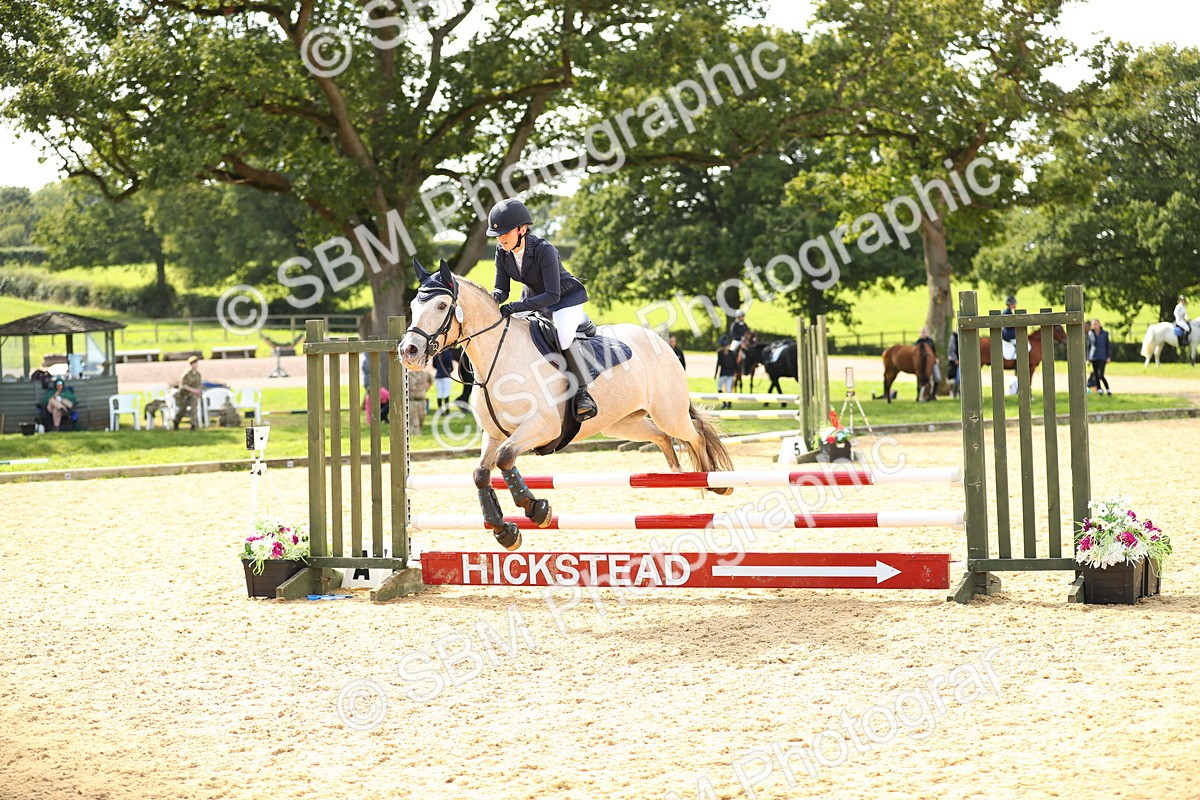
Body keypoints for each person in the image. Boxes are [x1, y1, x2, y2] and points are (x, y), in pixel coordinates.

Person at [488, 197, 596, 421]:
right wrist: (492, 299)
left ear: (522, 229)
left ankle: (582, 393)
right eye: (497, 234)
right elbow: (502, 288)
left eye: (505, 233)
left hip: (565, 299)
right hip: (533, 299)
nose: (500, 238)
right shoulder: (502, 252)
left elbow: (552, 294)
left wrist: (516, 306)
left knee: (564, 336)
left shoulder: (544, 249)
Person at [174, 355, 203, 430]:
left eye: (196, 363)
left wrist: (198, 391)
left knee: (194, 408)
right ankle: (176, 421)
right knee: (182, 410)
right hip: (184, 395)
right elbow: (183, 385)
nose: (195, 365)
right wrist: (193, 390)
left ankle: (194, 425)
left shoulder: (198, 374)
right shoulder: (186, 374)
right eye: (193, 363)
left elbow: (199, 385)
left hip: (193, 396)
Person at [1088, 319, 1112, 395]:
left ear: (1099, 324)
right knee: (1095, 373)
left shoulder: (1105, 334)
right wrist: (1088, 358)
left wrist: (1108, 356)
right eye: (1093, 324)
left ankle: (1108, 389)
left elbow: (1107, 345)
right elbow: (1089, 346)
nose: (1094, 325)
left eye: (1096, 324)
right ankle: (1099, 389)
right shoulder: (1090, 333)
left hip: (1102, 355)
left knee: (1100, 374)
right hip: (1093, 355)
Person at [714, 335, 738, 408]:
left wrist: (736, 372)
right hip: (723, 373)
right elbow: (718, 363)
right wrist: (715, 374)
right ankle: (724, 403)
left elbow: (735, 363)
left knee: (728, 389)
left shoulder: (732, 353)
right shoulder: (720, 353)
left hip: (730, 373)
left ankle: (729, 404)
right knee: (719, 388)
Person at [947, 330, 960, 398]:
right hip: (956, 361)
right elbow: (951, 350)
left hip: (962, 361)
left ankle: (958, 393)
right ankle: (954, 393)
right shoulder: (954, 337)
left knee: (959, 379)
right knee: (957, 379)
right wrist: (955, 359)